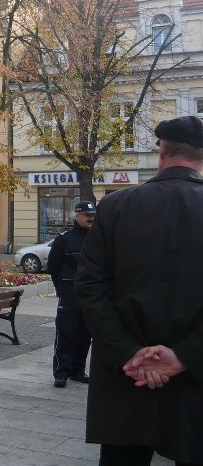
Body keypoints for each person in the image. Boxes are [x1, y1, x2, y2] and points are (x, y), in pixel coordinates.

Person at [76, 115, 203, 466]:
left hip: (125, 378)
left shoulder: (116, 206)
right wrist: (185, 357)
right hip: (195, 381)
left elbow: (89, 287)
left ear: (161, 151)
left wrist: (131, 353)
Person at [47, 200, 94, 388]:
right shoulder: (65, 239)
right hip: (69, 294)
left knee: (85, 334)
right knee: (66, 332)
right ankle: (61, 372)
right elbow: (53, 266)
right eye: (87, 215)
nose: (91, 218)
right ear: (77, 216)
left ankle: (78, 370)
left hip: (91, 295)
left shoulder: (98, 238)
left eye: (93, 215)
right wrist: (62, 288)